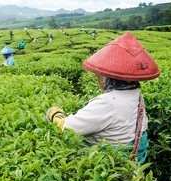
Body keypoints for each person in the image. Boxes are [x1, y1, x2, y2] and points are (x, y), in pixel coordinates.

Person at [46, 32, 160, 164]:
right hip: (135, 162)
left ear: (108, 78)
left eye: (101, 75)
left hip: (111, 166)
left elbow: (69, 128)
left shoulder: (107, 103)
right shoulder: (136, 95)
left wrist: (56, 115)